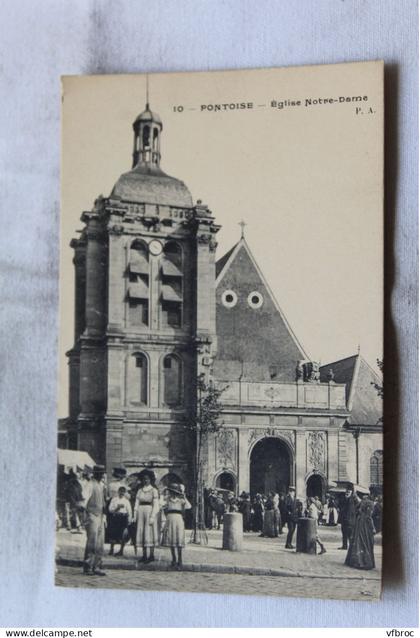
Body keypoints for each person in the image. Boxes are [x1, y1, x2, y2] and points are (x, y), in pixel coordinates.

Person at [83, 464, 107, 576]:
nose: (101, 475)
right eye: (99, 473)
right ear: (95, 473)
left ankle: (97, 566)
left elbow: (103, 502)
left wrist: (105, 516)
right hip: (92, 515)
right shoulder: (89, 484)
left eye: (102, 473)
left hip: (101, 516)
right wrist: (86, 515)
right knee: (92, 542)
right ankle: (88, 566)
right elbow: (84, 501)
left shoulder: (101, 485)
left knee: (100, 543)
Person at [162, 483, 191, 569]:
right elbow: (162, 506)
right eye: (171, 492)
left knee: (178, 539)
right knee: (171, 539)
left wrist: (184, 497)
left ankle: (180, 560)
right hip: (170, 518)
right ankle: (174, 559)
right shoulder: (167, 500)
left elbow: (189, 506)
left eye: (175, 492)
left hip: (178, 519)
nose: (173, 493)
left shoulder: (181, 500)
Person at [134, 470, 159, 563]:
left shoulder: (154, 490)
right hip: (141, 512)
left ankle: (151, 555)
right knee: (142, 531)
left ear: (151, 480)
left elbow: (156, 504)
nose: (146, 481)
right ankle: (144, 555)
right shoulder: (140, 490)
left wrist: (153, 516)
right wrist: (134, 514)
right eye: (144, 479)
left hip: (149, 511)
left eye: (147, 479)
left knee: (149, 532)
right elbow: (136, 503)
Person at [345, 497, 376, 570]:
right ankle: (364, 562)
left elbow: (356, 511)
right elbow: (369, 517)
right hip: (365, 525)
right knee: (366, 542)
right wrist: (373, 528)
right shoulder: (370, 503)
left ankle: (355, 561)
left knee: (358, 541)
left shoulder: (360, 503)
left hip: (359, 522)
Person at [108, 486, 132, 557]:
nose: (121, 493)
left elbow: (129, 511)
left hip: (123, 518)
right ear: (118, 492)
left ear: (124, 493)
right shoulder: (114, 499)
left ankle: (121, 550)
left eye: (123, 492)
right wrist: (117, 508)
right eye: (120, 491)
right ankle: (111, 549)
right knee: (113, 534)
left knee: (122, 535)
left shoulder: (126, 501)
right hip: (115, 517)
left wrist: (129, 520)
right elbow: (110, 509)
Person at [338, 484, 360, 550]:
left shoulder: (354, 498)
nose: (347, 492)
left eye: (349, 491)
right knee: (344, 533)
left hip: (351, 520)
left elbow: (359, 506)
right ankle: (344, 546)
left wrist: (355, 513)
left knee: (350, 534)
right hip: (344, 519)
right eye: (347, 491)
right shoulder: (344, 498)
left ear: (352, 491)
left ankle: (351, 547)